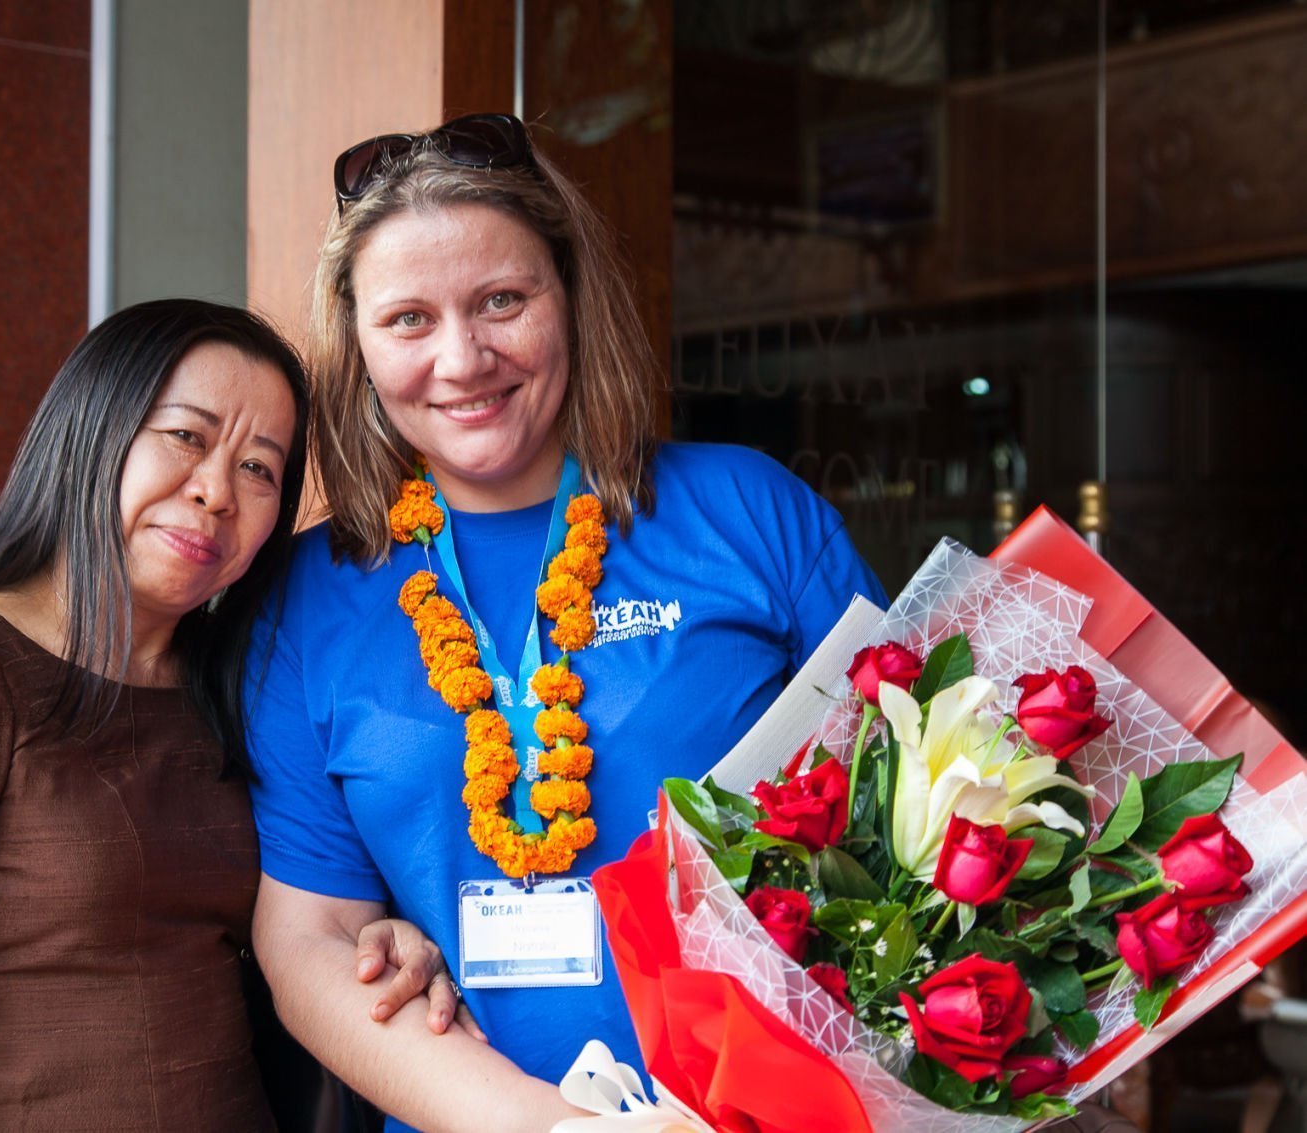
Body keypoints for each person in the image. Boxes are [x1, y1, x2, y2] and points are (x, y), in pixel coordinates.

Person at [243, 115, 886, 1132]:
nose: (462, 358)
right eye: (408, 319)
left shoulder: (750, 513)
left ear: (571, 296)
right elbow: (312, 937)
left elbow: (923, 808)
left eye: (502, 300)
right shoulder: (306, 597)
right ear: (356, 342)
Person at [0, 299, 467, 1132]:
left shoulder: (241, 680)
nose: (216, 491)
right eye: (186, 436)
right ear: (93, 429)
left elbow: (305, 916)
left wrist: (385, 937)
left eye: (259, 468)